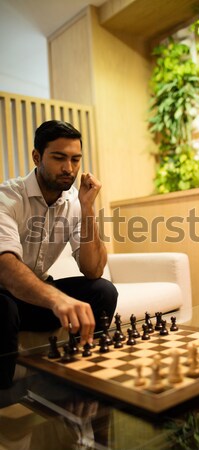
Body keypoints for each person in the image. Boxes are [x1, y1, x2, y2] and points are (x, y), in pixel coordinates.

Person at [0, 120, 118, 388]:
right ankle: (4, 405)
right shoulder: (7, 197)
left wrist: (87, 209)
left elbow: (93, 269)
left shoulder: (74, 202)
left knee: (103, 290)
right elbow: (5, 268)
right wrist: (56, 299)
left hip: (33, 300)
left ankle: (82, 377)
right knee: (3, 307)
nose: (69, 168)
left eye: (75, 159)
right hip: (5, 296)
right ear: (37, 156)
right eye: (59, 158)